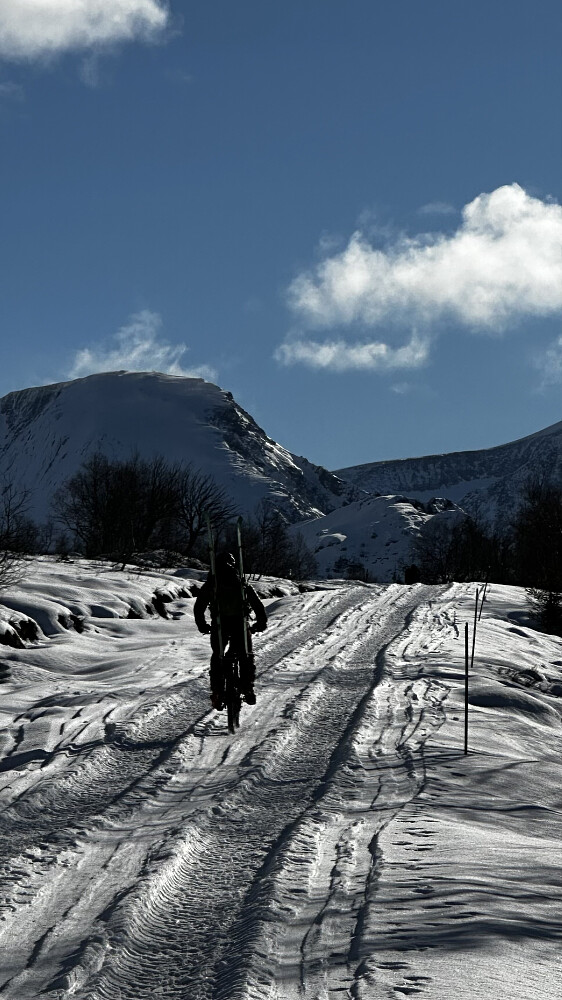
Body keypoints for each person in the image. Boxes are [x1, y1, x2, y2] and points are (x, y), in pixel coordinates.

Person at [194, 551, 267, 710]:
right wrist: (261, 623)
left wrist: (202, 625)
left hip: (220, 625)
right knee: (245, 654)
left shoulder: (212, 583)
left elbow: (199, 607)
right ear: (233, 564)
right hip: (240, 623)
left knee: (218, 656)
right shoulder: (241, 581)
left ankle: (218, 692)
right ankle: (247, 687)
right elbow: (257, 605)